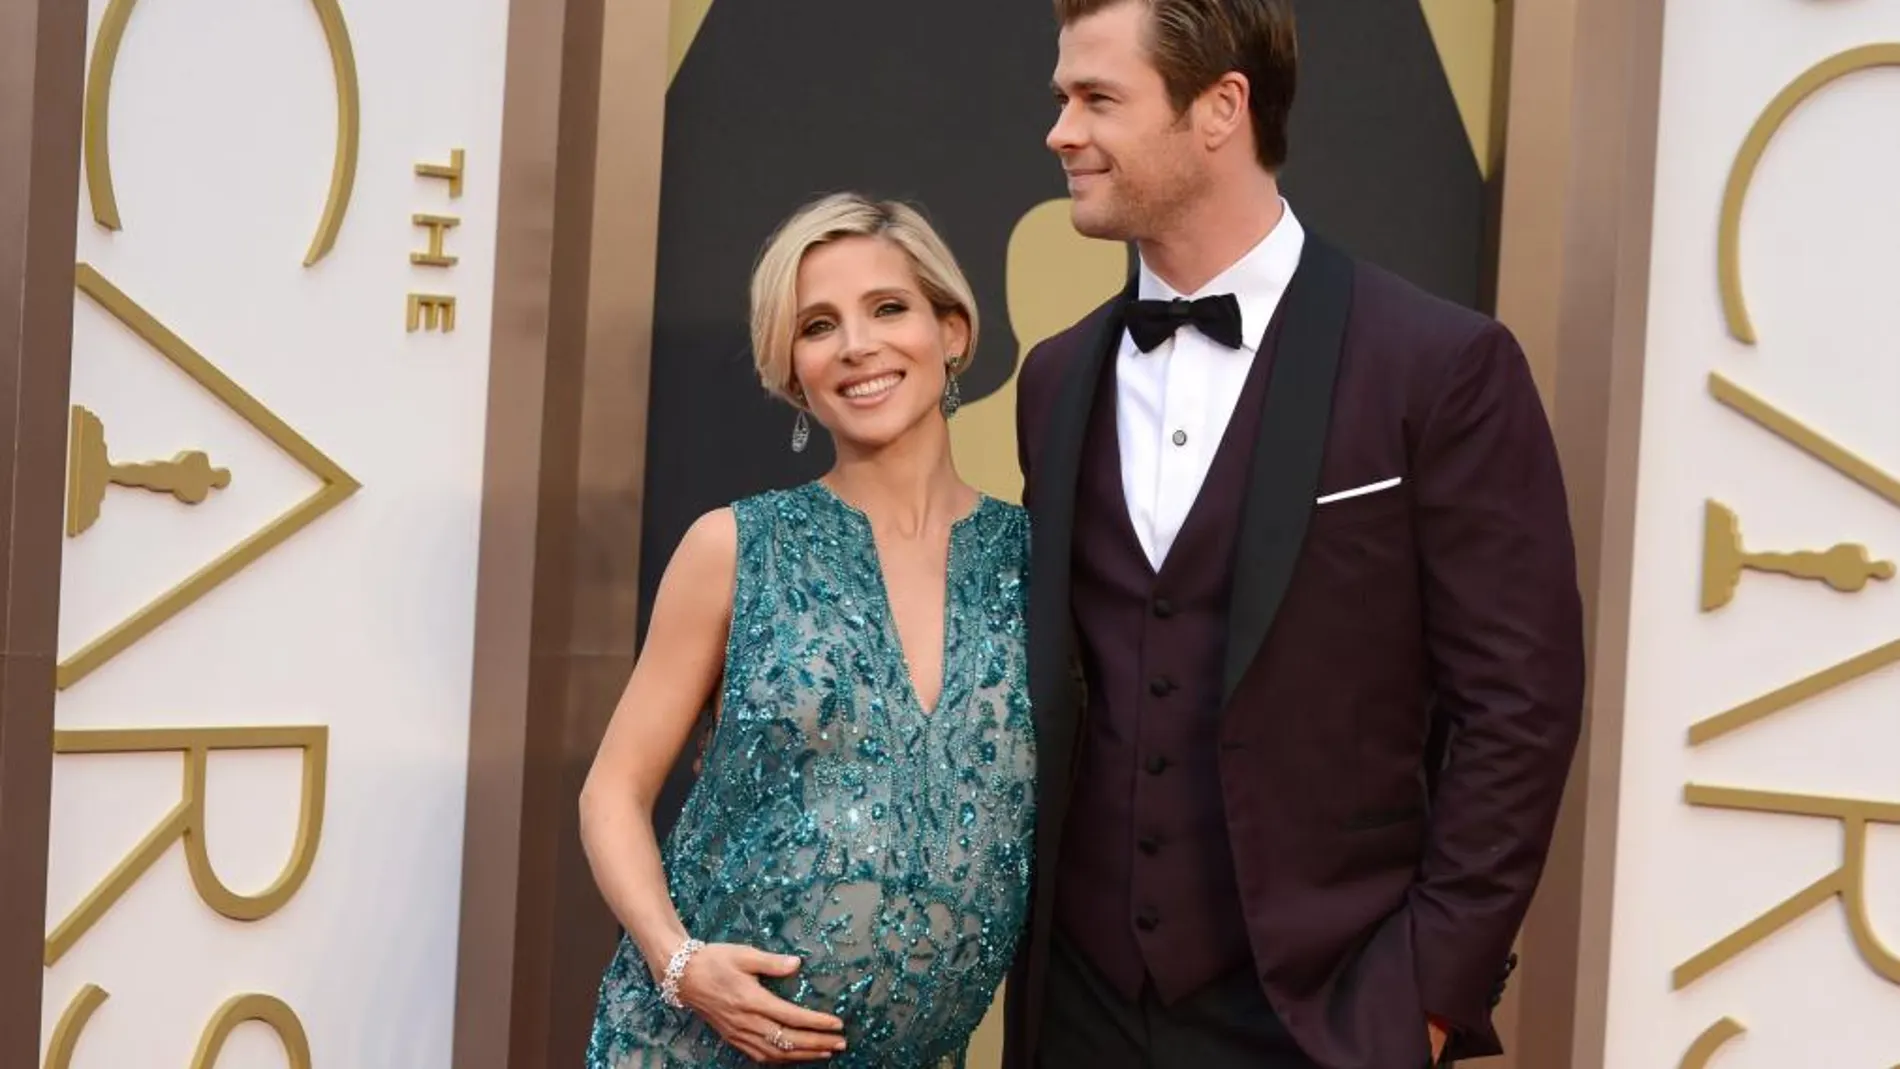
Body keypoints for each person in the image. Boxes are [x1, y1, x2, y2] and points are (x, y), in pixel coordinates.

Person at [1006, 2, 1586, 1068]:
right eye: (1061, 100)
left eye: (1097, 99)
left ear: (1220, 107)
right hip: (1078, 1007)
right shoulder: (1053, 379)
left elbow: (1519, 706)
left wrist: (1426, 994)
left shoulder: (1439, 366)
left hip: (1323, 1014)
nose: (1061, 131)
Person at [581, 193, 1035, 1068]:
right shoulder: (735, 546)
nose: (857, 345)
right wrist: (681, 964)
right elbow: (611, 792)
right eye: (818, 324)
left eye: (888, 308)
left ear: (954, 331)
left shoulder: (1035, 561)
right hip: (693, 1048)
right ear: (794, 371)